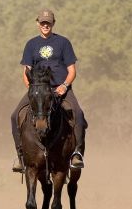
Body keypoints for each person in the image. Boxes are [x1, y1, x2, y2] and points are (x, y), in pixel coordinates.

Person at [10, 9, 87, 173]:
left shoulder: (63, 43)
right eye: (43, 22)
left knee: (78, 114)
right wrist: (32, 89)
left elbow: (72, 70)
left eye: (48, 22)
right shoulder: (31, 44)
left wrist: (64, 85)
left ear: (53, 23)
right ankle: (21, 156)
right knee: (15, 115)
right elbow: (26, 71)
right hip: (38, 90)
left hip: (61, 89)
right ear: (38, 23)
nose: (45, 25)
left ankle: (77, 154)